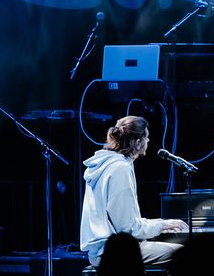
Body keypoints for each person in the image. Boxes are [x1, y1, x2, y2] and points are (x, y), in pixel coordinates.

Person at [80, 115, 188, 268]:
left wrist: (160, 223)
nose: (149, 141)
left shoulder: (107, 164)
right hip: (114, 252)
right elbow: (128, 228)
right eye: (147, 137)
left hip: (103, 250)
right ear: (138, 143)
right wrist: (162, 226)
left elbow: (125, 222)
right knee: (183, 255)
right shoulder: (120, 168)